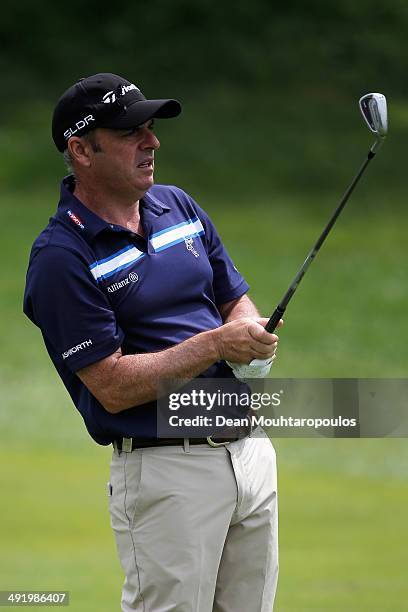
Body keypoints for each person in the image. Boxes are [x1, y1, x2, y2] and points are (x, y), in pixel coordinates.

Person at [23, 73, 281, 612]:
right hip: (168, 471)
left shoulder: (178, 206)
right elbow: (112, 386)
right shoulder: (61, 258)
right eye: (130, 132)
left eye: (151, 128)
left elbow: (234, 297)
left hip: (249, 454)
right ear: (81, 150)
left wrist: (251, 339)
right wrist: (217, 345)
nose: (152, 142)